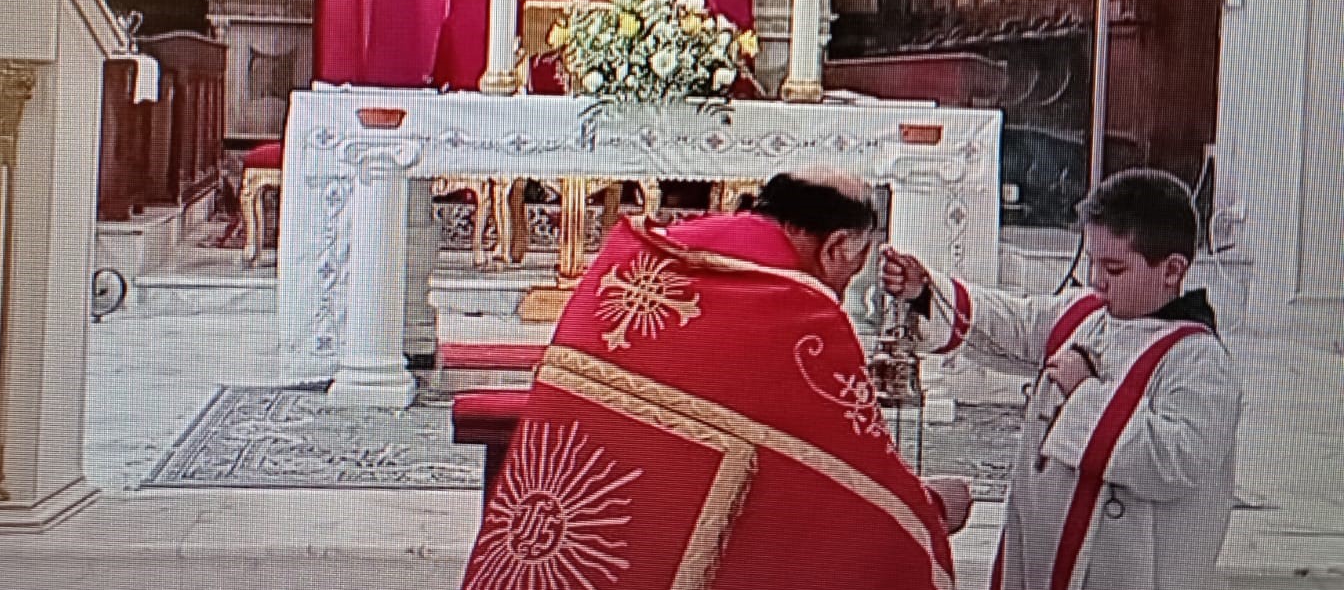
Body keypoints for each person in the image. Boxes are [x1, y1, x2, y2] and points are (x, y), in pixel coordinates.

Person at [459, 170, 971, 590]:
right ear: (836, 246)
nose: (843, 285)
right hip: (644, 518)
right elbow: (861, 473)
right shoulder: (804, 313)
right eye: (854, 267)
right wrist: (928, 510)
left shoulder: (643, 251)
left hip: (568, 530)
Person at [880, 168, 1242, 590]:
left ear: (1172, 270)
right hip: (1041, 551)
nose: (1095, 280)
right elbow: (1013, 322)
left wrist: (1084, 393)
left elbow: (1173, 462)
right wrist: (925, 292)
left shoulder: (1200, 361)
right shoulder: (1086, 315)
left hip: (1127, 570)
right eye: (1091, 261)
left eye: (1113, 268)